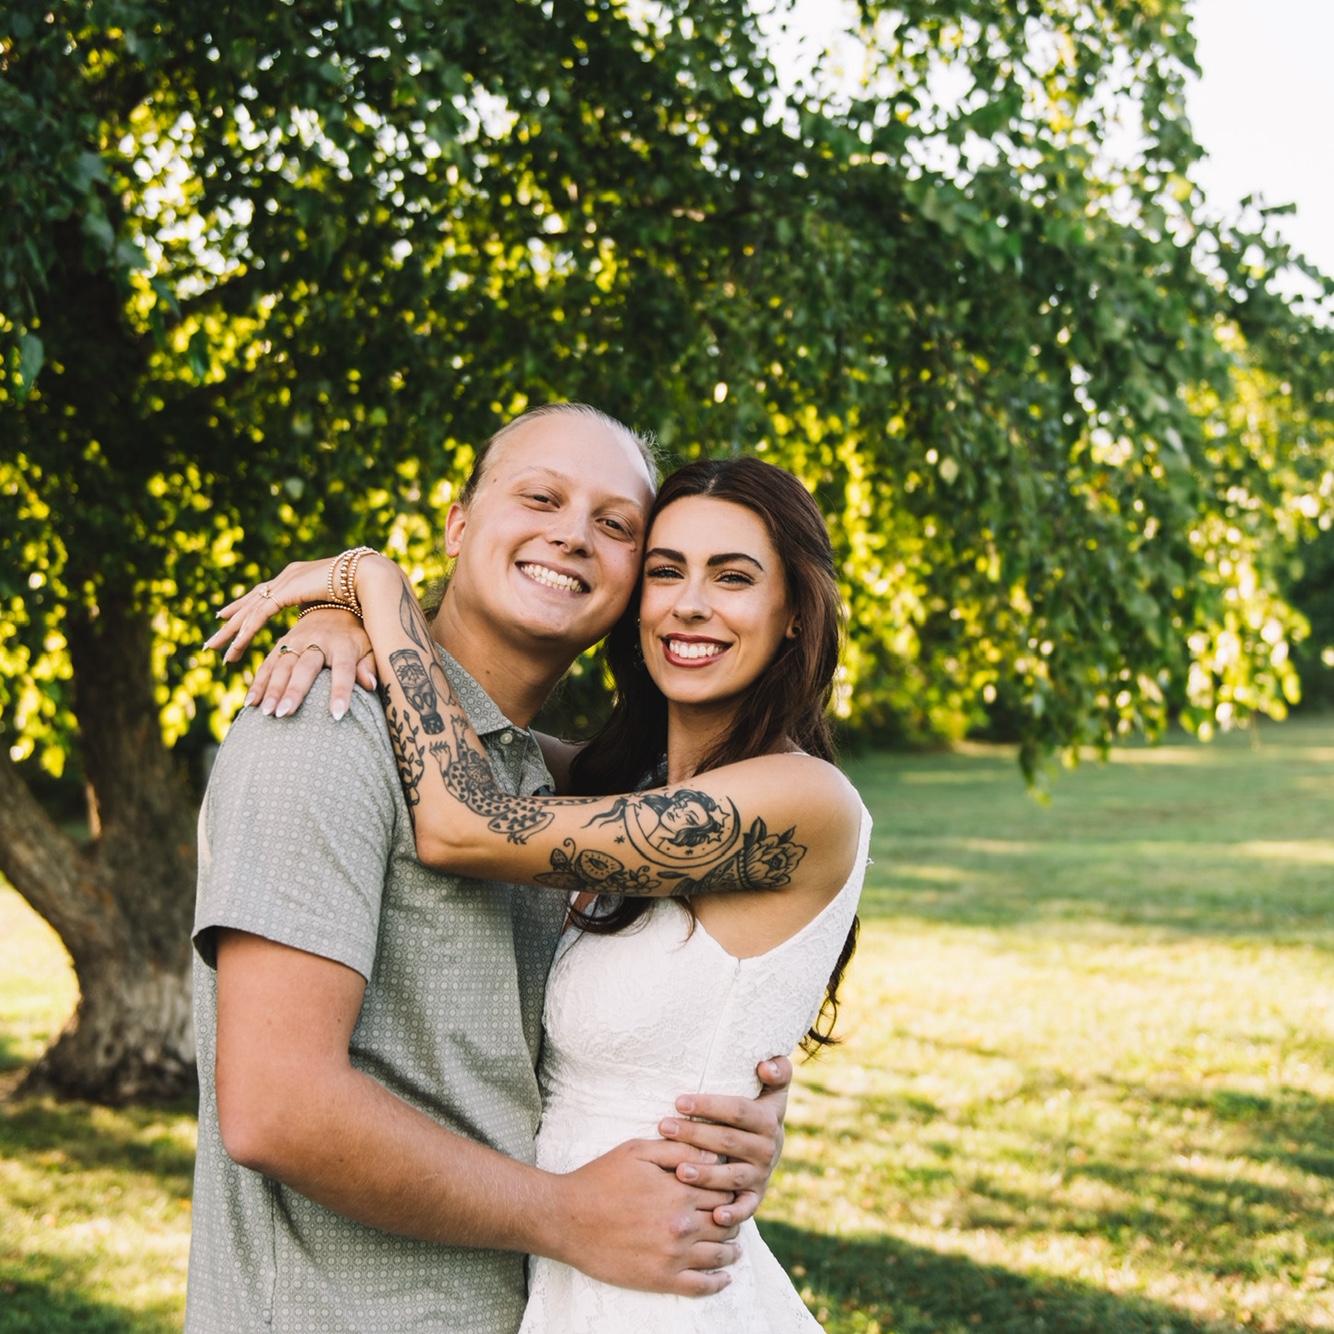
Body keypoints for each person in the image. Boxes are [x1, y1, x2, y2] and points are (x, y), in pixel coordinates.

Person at [216, 454, 869, 1331]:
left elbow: (462, 819)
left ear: (794, 613)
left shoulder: (803, 799)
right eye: (666, 570)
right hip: (580, 1268)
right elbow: (483, 745)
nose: (691, 604)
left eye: (733, 577)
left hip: (655, 1282)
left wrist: (374, 583)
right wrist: (338, 620)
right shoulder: (624, 789)